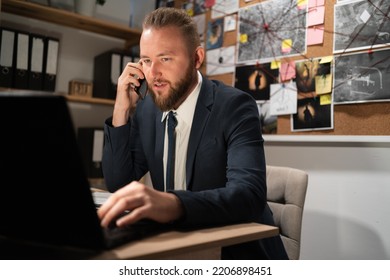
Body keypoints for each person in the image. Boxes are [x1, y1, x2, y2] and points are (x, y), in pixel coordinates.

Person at [97, 7, 288, 260]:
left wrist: (173, 204)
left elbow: (249, 197)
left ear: (197, 59)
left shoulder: (235, 107)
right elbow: (118, 183)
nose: (153, 73)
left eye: (165, 58)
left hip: (238, 253)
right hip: (182, 246)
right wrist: (121, 109)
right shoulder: (147, 111)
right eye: (145, 60)